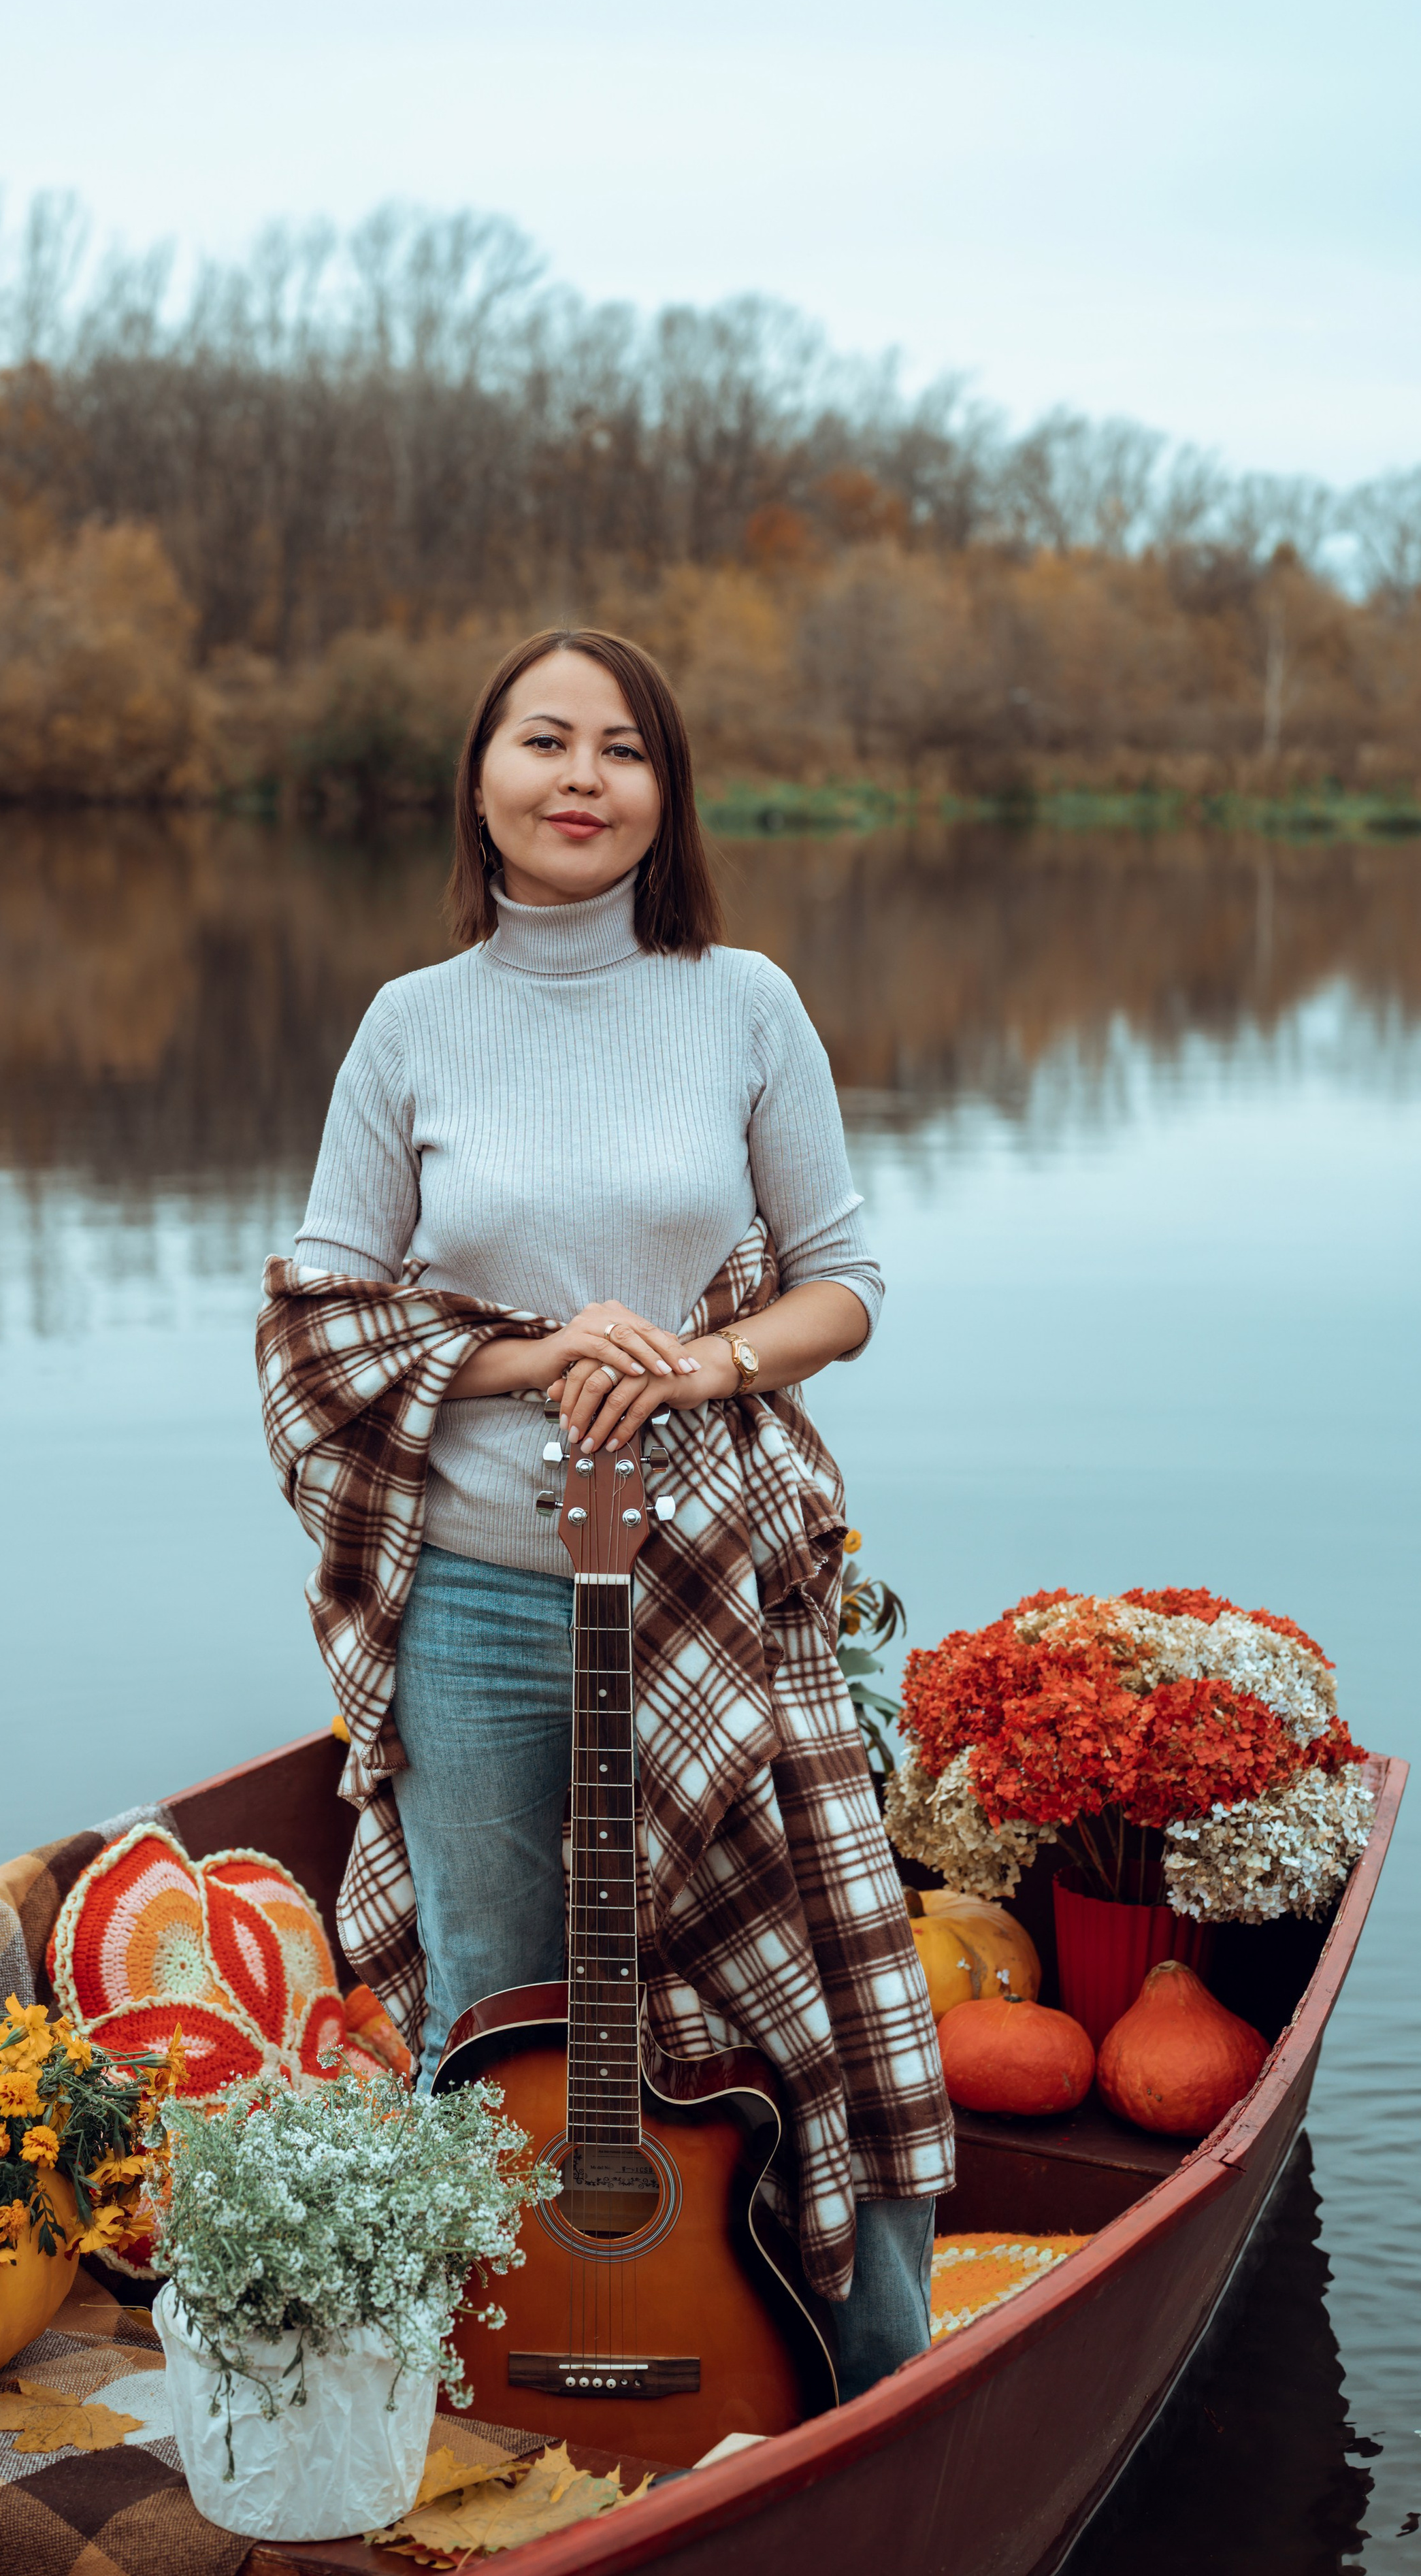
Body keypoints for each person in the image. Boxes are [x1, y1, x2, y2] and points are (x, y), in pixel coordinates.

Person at [261, 627, 952, 2402]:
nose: (582, 777)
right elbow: (321, 1313)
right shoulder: (411, 1025)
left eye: (623, 747)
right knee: (489, 2003)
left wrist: (705, 1367)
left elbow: (846, 1281)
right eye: (544, 740)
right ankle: (488, 2375)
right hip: (479, 1600)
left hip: (708, 1581)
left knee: (783, 1979)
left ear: (669, 790)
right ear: (480, 776)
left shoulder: (744, 1001)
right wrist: (533, 1354)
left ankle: (851, 2376)